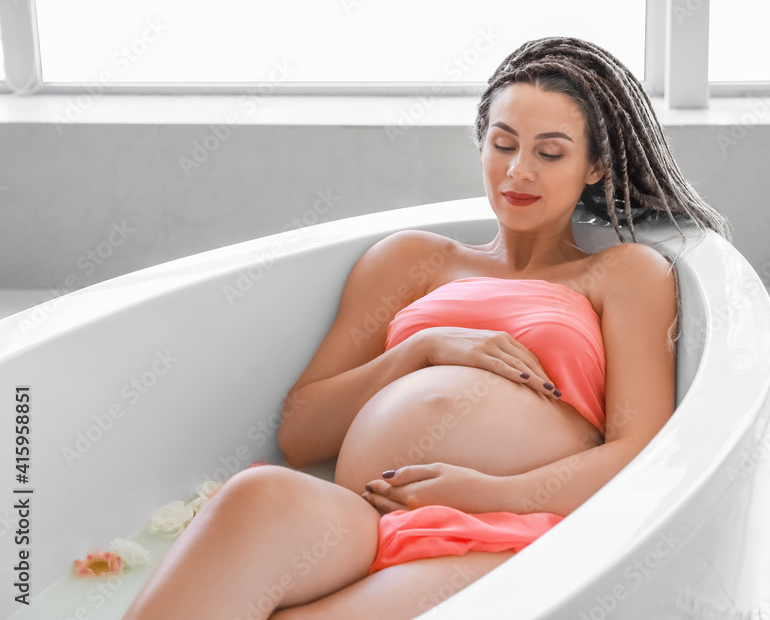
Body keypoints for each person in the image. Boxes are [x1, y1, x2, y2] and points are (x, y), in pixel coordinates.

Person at [122, 36, 731, 620]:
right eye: (502, 144)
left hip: (498, 525)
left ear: (595, 166)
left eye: (549, 153)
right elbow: (301, 433)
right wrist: (422, 349)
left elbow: (642, 453)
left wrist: (489, 492)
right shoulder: (411, 260)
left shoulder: (623, 273)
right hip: (359, 515)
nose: (519, 171)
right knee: (256, 498)